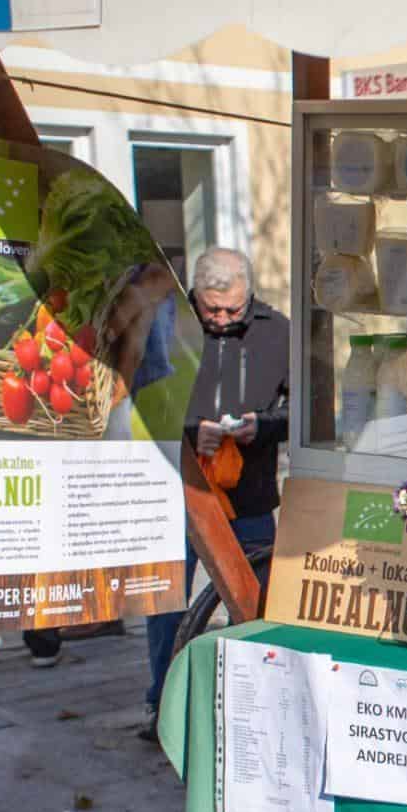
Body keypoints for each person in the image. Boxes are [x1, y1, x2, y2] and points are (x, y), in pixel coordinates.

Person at [141, 247, 291, 733]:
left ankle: (254, 708)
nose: (222, 319)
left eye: (233, 309)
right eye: (212, 309)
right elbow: (139, 402)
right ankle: (163, 705)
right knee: (166, 606)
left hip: (249, 494)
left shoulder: (278, 331)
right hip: (177, 492)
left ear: (249, 296)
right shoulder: (163, 328)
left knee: (255, 602)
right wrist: (190, 430)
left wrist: (262, 426)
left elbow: (305, 410)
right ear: (194, 296)